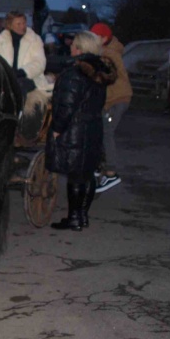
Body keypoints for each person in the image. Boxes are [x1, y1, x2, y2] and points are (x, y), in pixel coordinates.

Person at [45, 31, 117, 231]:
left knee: (76, 175)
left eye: (73, 45)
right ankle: (82, 216)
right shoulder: (99, 71)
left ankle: (74, 218)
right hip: (93, 127)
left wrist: (57, 128)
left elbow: (67, 105)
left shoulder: (75, 73)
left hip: (75, 129)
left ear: (79, 48)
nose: (70, 47)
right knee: (87, 174)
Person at [92, 22, 131, 194]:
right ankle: (99, 165)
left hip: (116, 99)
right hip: (110, 99)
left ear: (104, 38)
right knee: (100, 131)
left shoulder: (108, 54)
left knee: (106, 132)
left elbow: (104, 76)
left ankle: (111, 172)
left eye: (95, 37)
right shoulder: (107, 51)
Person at [0, 11, 47, 96]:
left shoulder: (35, 40)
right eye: (18, 24)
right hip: (6, 78)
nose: (22, 26)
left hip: (31, 79)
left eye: (24, 23)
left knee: (19, 85)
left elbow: (40, 62)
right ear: (10, 25)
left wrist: (23, 72)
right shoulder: (0, 41)